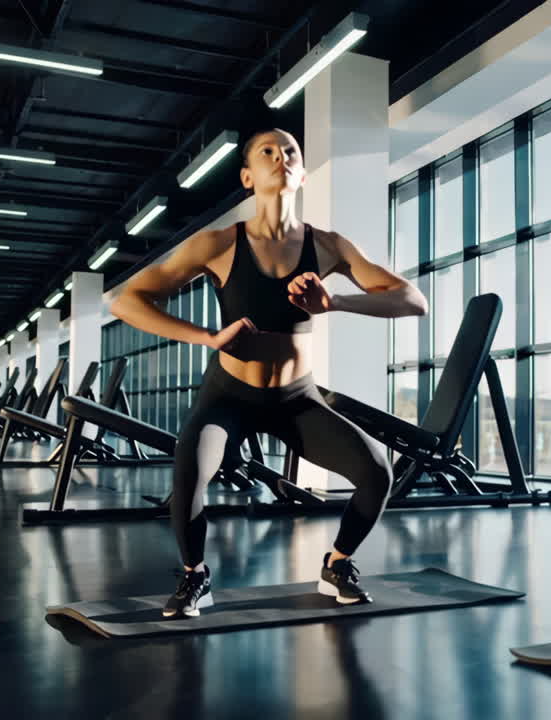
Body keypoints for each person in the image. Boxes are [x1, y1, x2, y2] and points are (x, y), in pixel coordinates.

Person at [111, 128, 428, 617]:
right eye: (268, 152)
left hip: (295, 400)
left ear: (302, 175)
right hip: (228, 396)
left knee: (376, 473)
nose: (281, 157)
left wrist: (334, 301)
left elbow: (413, 300)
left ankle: (337, 564)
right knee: (189, 474)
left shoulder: (329, 247)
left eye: (290, 152)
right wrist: (206, 337)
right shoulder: (217, 244)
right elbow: (127, 300)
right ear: (247, 177)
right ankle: (195, 575)